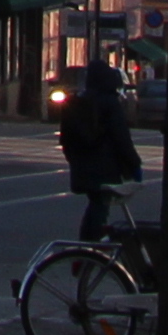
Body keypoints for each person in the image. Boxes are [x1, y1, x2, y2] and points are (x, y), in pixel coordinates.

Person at [53, 56, 142, 238]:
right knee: (100, 208)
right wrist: (134, 164)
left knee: (96, 206)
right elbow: (121, 138)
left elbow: (66, 139)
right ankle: (89, 249)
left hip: (82, 167)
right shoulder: (110, 103)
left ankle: (86, 251)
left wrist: (75, 160)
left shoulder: (76, 103)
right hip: (106, 167)